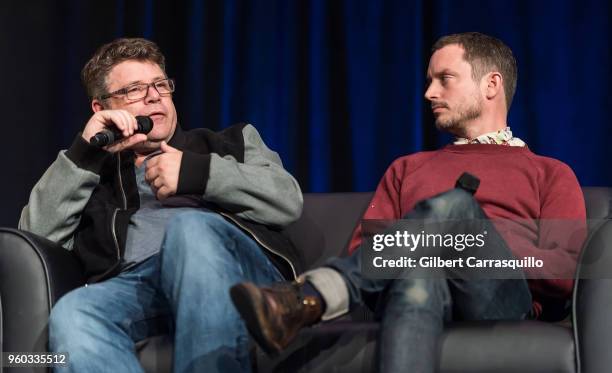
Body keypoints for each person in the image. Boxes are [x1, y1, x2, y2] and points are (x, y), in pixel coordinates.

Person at [230, 32, 587, 373]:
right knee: (418, 274)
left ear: (491, 85)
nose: (430, 92)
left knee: (457, 209)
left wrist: (478, 238)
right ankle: (327, 291)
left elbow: (566, 270)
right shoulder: (407, 168)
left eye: (444, 79)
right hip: (417, 286)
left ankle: (317, 294)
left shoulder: (549, 173)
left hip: (498, 297)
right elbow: (367, 249)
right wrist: (439, 245)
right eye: (429, 81)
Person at [19, 37, 304, 373]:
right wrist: (84, 154)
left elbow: (288, 200)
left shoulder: (227, 142)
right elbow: (34, 240)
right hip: (140, 289)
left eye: (159, 85)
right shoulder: (90, 172)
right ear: (102, 108)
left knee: (189, 229)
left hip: (236, 275)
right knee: (74, 311)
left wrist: (200, 173)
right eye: (135, 90)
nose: (154, 96)